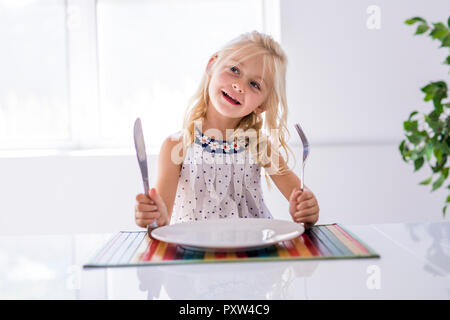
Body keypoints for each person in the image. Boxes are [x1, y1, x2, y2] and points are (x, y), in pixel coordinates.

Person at [134, 31, 319, 229]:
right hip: (195, 252)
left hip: (253, 252)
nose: (239, 86)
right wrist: (153, 214)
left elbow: (301, 201)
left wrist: (307, 208)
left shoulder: (260, 146)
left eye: (255, 84)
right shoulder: (177, 145)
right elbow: (161, 221)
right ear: (212, 65)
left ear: (262, 105)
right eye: (234, 70)